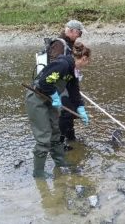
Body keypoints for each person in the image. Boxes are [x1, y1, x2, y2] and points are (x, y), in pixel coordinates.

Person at [25, 41, 91, 178]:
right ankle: (38, 174)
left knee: (56, 133)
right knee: (44, 138)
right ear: (83, 59)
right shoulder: (63, 65)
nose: (87, 65)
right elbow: (44, 82)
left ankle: (60, 162)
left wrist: (81, 109)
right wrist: (55, 96)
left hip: (50, 100)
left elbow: (74, 92)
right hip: (37, 98)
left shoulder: (73, 71)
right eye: (87, 62)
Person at [48, 19, 87, 150]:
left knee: (74, 108)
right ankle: (61, 142)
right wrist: (55, 93)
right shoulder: (59, 44)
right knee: (65, 112)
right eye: (79, 33)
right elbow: (53, 67)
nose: (79, 36)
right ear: (71, 31)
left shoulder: (70, 44)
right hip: (56, 86)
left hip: (66, 83)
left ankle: (70, 137)